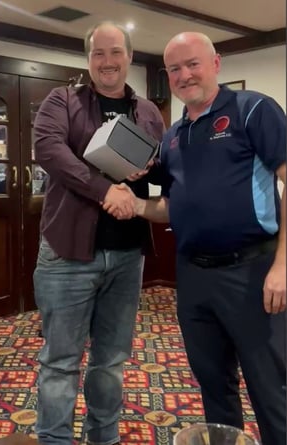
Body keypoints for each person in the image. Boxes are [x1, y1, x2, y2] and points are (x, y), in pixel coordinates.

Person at [118, 32, 286, 445]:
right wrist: (137, 205)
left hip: (253, 272)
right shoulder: (174, 136)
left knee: (271, 390)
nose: (183, 75)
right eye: (174, 69)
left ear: (215, 63)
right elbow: (176, 205)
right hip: (192, 277)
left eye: (192, 63)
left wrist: (283, 265)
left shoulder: (254, 110)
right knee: (214, 387)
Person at [32, 22, 165, 445]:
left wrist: (150, 169)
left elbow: (160, 167)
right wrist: (106, 188)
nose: (107, 62)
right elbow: (49, 151)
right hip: (67, 253)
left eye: (115, 53)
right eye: (98, 54)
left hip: (128, 256)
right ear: (88, 59)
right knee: (60, 363)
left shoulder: (148, 112)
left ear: (129, 55)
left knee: (111, 362)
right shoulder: (62, 100)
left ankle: (103, 438)